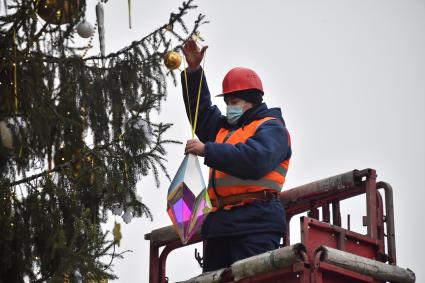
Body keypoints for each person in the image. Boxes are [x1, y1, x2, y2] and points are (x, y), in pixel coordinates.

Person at [181, 39, 292, 272]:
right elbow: (201, 113)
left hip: (256, 225)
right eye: (227, 102)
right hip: (221, 226)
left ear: (250, 102)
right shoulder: (224, 129)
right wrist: (193, 72)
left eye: (234, 102)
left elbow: (254, 160)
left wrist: (206, 149)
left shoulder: (273, 128)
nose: (229, 108)